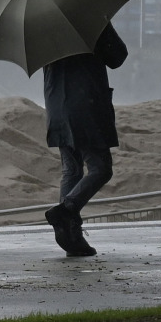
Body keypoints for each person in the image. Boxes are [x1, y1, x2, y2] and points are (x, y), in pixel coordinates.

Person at [42, 20, 128, 258]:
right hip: (86, 106)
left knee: (71, 172)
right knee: (101, 169)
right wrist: (105, 23)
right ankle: (66, 211)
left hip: (57, 107)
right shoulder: (89, 17)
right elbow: (118, 57)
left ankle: (71, 237)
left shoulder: (41, 26)